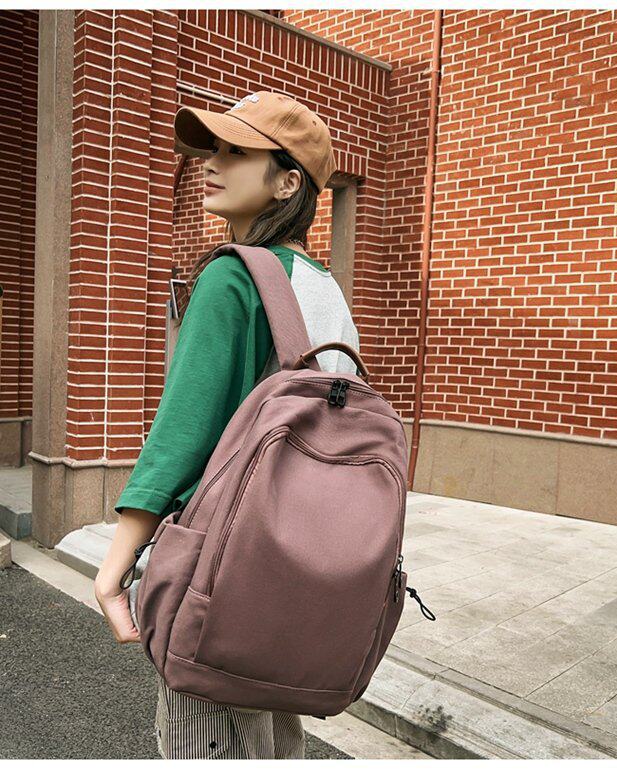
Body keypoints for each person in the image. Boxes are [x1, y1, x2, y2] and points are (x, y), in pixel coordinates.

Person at [94, 90, 359, 759]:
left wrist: (115, 566)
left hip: (221, 577)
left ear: (288, 183)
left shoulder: (232, 278)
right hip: (298, 569)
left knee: (204, 734)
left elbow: (183, 434)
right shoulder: (325, 288)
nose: (213, 163)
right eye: (213, 148)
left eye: (237, 151)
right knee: (273, 738)